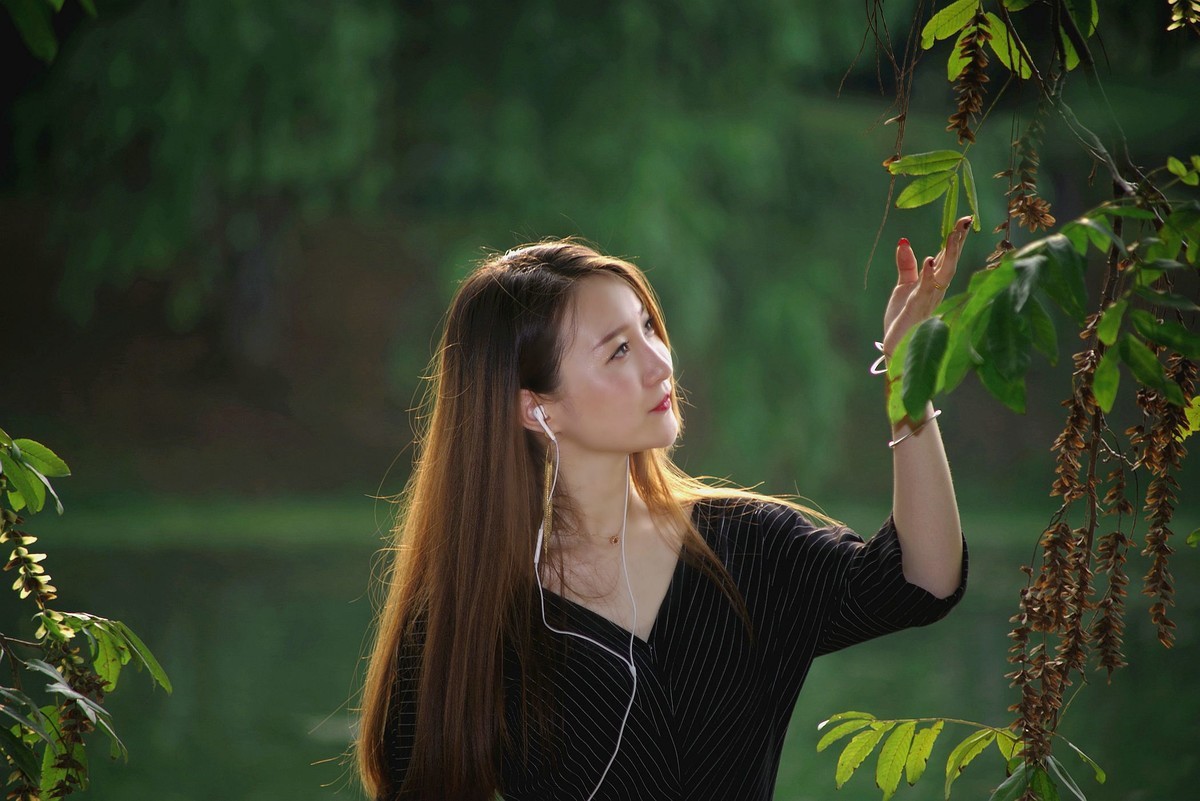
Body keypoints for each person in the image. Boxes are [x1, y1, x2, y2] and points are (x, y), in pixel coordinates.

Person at [355, 219, 972, 801]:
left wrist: (906, 381)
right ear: (536, 409)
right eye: (619, 350)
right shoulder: (470, 613)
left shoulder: (745, 544)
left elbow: (921, 582)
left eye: (649, 328)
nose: (661, 363)